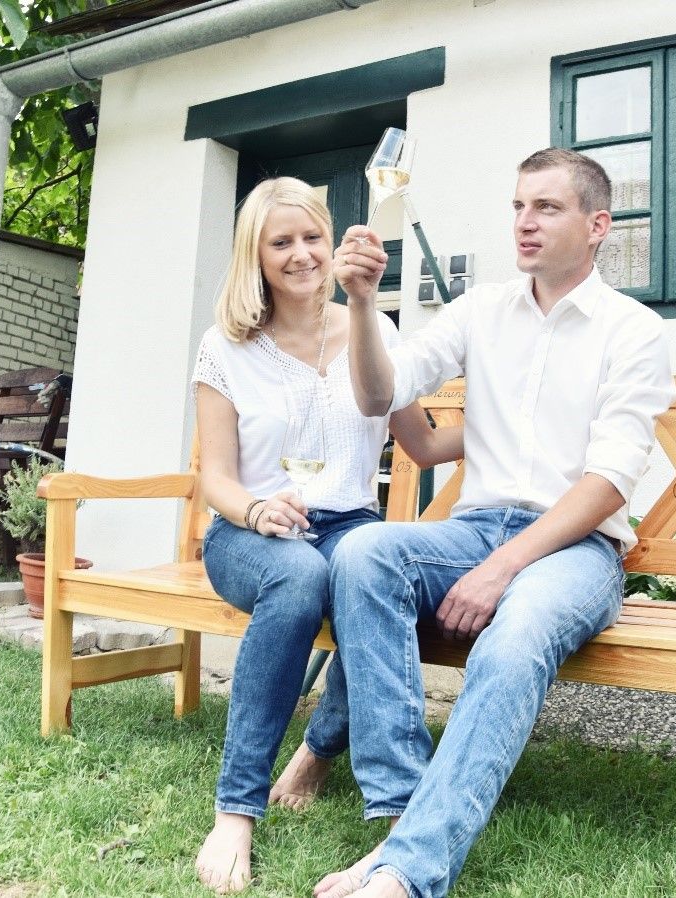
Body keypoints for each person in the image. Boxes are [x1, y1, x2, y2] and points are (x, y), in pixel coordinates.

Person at [318, 148, 676, 898]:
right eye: (518, 206)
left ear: (597, 224)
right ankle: (400, 816)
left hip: (573, 549)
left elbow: (609, 482)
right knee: (364, 553)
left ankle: (406, 874)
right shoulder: (480, 309)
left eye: (546, 208)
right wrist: (361, 303)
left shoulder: (632, 331)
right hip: (475, 530)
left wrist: (502, 567)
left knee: (513, 638)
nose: (525, 222)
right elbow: (378, 394)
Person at [189, 177, 462, 894]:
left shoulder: (372, 329)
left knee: (370, 574)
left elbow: (424, 445)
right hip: (251, 533)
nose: (301, 254)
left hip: (347, 526)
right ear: (257, 254)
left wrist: (520, 425)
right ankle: (236, 809)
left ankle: (318, 754)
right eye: (281, 242)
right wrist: (255, 511)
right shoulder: (226, 347)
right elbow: (213, 478)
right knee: (301, 576)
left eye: (312, 237)